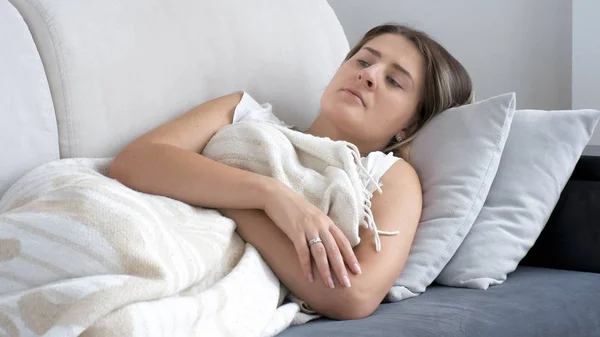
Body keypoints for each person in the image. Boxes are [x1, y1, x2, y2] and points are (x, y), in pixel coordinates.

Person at [108, 23, 473, 320]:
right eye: (363, 62)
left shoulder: (386, 175)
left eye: (394, 81)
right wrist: (270, 195)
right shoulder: (241, 111)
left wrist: (236, 206)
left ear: (408, 127)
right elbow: (134, 162)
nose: (370, 75)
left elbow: (354, 296)